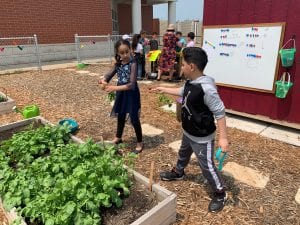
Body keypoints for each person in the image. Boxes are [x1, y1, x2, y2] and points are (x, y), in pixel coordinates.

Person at [150, 47, 229, 212]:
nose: (181, 67)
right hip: (188, 131)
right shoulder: (190, 82)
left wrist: (223, 138)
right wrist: (163, 88)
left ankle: (220, 192)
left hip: (202, 136)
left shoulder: (207, 89)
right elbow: (183, 91)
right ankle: (179, 172)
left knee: (206, 165)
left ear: (192, 67)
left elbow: (220, 112)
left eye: (183, 64)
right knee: (183, 153)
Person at [99, 39, 143, 154]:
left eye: (126, 52)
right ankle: (118, 137)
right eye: (121, 53)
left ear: (130, 50)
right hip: (121, 93)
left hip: (131, 94)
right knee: (121, 115)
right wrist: (103, 79)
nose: (124, 55)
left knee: (134, 118)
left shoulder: (133, 63)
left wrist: (114, 88)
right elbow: (109, 75)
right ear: (118, 53)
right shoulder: (118, 63)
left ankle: (140, 142)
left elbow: (132, 85)